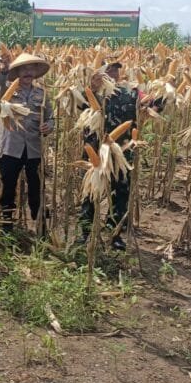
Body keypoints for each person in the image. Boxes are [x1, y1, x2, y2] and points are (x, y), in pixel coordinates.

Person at [77, 59, 148, 250]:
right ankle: (85, 232)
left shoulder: (130, 93)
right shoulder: (92, 93)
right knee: (90, 192)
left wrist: (152, 103)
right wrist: (91, 87)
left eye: (116, 69)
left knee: (120, 194)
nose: (113, 73)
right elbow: (80, 107)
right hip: (95, 152)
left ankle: (114, 234)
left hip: (121, 152)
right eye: (108, 69)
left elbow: (150, 105)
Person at [0, 52, 54, 231]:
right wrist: (3, 71)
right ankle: (6, 224)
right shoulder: (7, 90)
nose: (28, 73)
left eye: (31, 69)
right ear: (18, 72)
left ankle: (40, 224)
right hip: (11, 146)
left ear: (35, 73)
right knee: (8, 186)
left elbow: (51, 117)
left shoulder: (41, 94)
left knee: (36, 186)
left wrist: (49, 126)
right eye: (24, 69)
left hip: (33, 147)